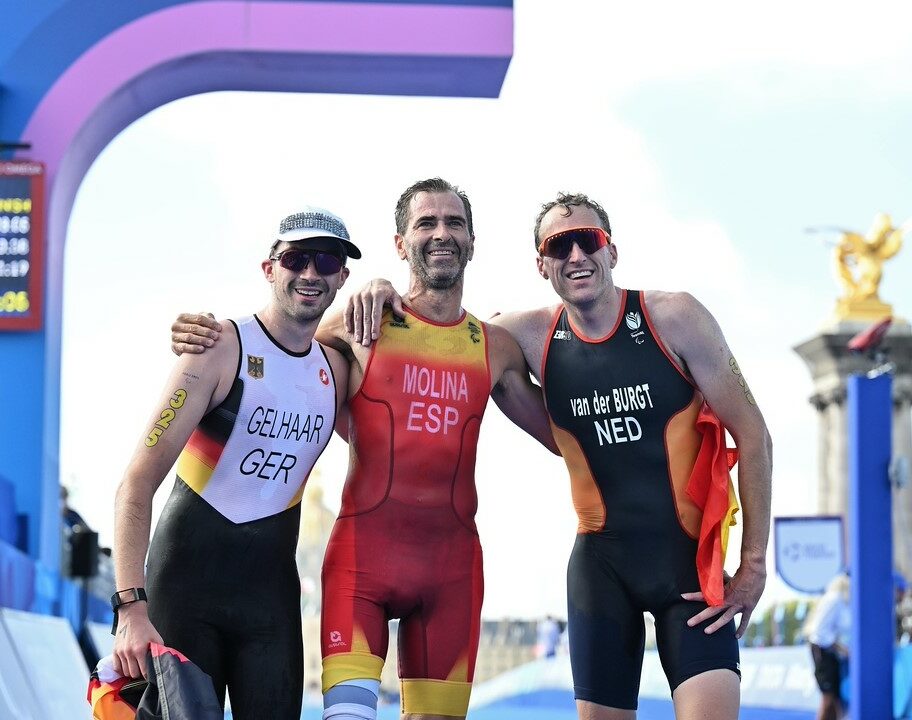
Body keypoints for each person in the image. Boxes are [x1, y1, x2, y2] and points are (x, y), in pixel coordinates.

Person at [343, 191, 773, 719]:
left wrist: (752, 567)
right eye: (559, 245)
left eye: (587, 241)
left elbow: (753, 434)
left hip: (688, 568)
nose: (576, 257)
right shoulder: (520, 335)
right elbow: (437, 334)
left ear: (611, 252)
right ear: (541, 264)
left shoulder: (675, 317)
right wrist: (381, 288)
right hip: (601, 567)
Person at [169, 178, 559, 720]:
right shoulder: (359, 326)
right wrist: (204, 335)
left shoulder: (496, 347)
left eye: (454, 223)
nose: (441, 233)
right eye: (426, 223)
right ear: (400, 244)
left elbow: (564, 439)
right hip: (363, 562)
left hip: (452, 572)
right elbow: (279, 337)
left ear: (472, 239)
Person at [112, 207, 357, 720]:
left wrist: (380, 288)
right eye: (295, 258)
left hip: (269, 603)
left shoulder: (338, 368)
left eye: (326, 260)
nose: (310, 273)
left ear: (342, 276)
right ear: (270, 269)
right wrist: (130, 609)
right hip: (184, 589)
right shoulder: (217, 348)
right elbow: (136, 484)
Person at [804, 572, 850, 720]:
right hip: (823, 652)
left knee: (834, 698)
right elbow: (819, 633)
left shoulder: (841, 599)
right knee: (828, 697)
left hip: (831, 654)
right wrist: (842, 649)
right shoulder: (834, 598)